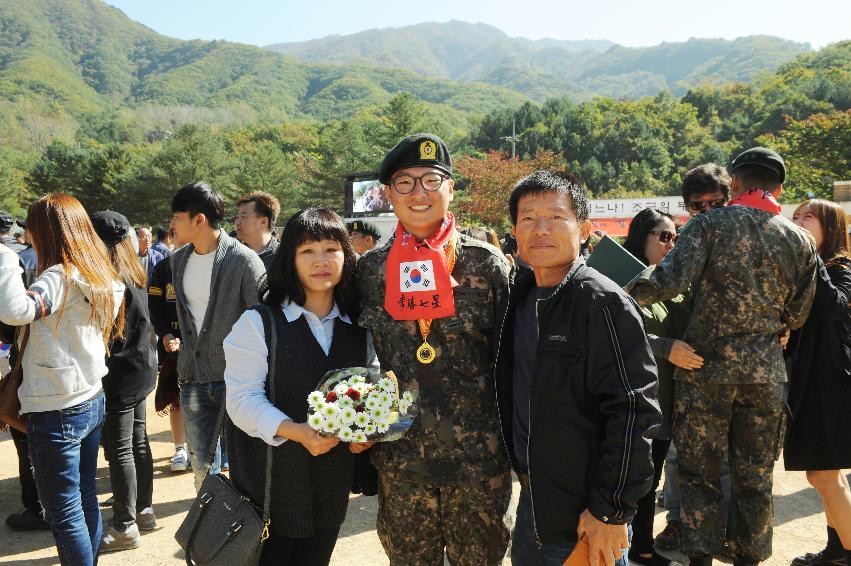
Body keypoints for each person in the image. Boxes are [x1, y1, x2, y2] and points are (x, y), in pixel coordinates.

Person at [627, 147, 819, 566]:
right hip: (765, 377)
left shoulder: (709, 225)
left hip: (705, 373)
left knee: (700, 477)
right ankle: (750, 560)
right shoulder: (800, 239)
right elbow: (799, 314)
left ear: (734, 184)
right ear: (779, 188)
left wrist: (623, 289)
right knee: (755, 477)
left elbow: (668, 280)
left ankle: (700, 561)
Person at [356, 133, 511, 564]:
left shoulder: (486, 265)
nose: (418, 193)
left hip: (478, 463)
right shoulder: (371, 271)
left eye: (430, 179)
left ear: (450, 188)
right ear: (389, 194)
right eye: (404, 183)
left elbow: (511, 363)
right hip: (403, 463)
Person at [493, 171, 660, 566]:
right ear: (515, 231)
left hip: (588, 511)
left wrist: (612, 510)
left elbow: (634, 410)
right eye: (528, 218)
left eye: (556, 217)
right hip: (536, 501)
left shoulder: (602, 301)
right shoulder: (520, 296)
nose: (541, 229)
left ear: (584, 229)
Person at [224, 208, 376, 566]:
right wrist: (296, 431)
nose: (320, 261)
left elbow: (370, 383)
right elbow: (242, 399)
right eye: (307, 251)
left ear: (346, 256)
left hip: (331, 483)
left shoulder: (359, 325)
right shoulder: (260, 322)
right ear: (289, 259)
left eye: (331, 249)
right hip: (271, 484)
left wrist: (364, 429)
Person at [0, 193, 124, 565]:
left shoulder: (59, 276)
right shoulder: (98, 273)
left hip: (56, 407)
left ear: (47, 231)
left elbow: (16, 310)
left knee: (63, 511)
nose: (27, 236)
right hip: (89, 398)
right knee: (83, 499)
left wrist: (5, 258)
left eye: (31, 228)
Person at [656, 163, 734, 551]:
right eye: (697, 205)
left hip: (738, 364)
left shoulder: (750, 235)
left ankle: (725, 528)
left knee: (729, 456)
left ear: (729, 197)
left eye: (715, 202)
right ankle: (676, 521)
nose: (706, 211)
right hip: (692, 361)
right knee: (680, 452)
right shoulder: (686, 240)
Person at [169, 181, 266, 490]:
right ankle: (212, 530)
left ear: (199, 220)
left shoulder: (243, 260)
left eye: (177, 216)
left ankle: (249, 532)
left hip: (238, 380)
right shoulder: (177, 260)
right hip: (194, 377)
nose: (171, 224)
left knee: (245, 464)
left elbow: (264, 321)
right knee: (202, 465)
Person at [623, 208, 696, 566]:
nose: (672, 244)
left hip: (669, 398)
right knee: (639, 479)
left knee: (651, 478)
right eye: (664, 236)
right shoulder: (621, 277)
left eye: (675, 237)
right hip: (637, 399)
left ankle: (641, 545)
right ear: (642, 237)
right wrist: (667, 348)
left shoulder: (672, 282)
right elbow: (619, 335)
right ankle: (639, 548)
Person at [784, 199, 851, 566]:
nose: (798, 221)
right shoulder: (809, 268)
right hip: (811, 381)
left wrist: (808, 255)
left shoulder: (841, 267)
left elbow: (835, 306)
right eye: (795, 216)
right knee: (826, 474)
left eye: (807, 216)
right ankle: (838, 549)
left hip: (832, 382)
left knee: (824, 474)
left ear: (831, 226)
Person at [89, 211, 158, 552]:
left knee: (120, 450)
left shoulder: (106, 278)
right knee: (138, 441)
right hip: (141, 367)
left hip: (118, 373)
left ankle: (124, 525)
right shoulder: (135, 270)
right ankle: (142, 510)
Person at [148, 228, 189, 473]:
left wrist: (189, 342)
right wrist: (165, 333)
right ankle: (179, 448)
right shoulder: (163, 268)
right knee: (176, 400)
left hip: (200, 348)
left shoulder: (207, 268)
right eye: (178, 238)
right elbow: (155, 305)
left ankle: (199, 448)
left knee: (201, 399)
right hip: (169, 345)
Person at [235, 191, 281, 270]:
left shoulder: (283, 258)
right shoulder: (233, 255)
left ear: (263, 222)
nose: (236, 223)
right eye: (237, 217)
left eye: (243, 217)